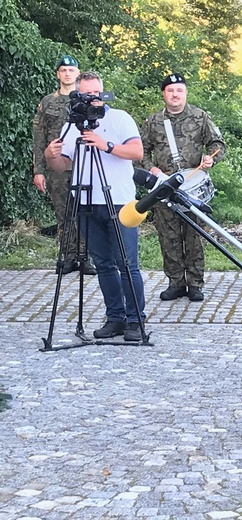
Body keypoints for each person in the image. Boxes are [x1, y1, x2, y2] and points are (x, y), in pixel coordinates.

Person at [44, 71, 147, 341]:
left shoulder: (120, 118)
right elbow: (62, 164)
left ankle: (136, 320)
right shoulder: (73, 123)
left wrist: (107, 145)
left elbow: (137, 153)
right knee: (102, 263)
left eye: (97, 94)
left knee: (127, 262)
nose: (93, 100)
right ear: (77, 94)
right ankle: (115, 318)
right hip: (87, 201)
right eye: (87, 95)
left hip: (120, 200)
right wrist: (49, 155)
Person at [140, 73, 226, 302]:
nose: (175, 94)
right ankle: (175, 282)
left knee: (194, 235)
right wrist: (151, 169)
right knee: (168, 236)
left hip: (192, 186)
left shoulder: (200, 117)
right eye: (170, 90)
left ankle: (195, 283)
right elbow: (141, 150)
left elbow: (218, 144)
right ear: (164, 94)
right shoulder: (154, 122)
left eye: (179, 90)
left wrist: (211, 159)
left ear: (185, 93)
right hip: (163, 187)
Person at [32, 55, 96, 275]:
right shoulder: (48, 102)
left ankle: (86, 257)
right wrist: (38, 170)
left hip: (84, 163)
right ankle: (68, 256)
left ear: (78, 73)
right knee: (64, 213)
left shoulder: (86, 99)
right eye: (63, 70)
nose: (67, 74)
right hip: (58, 166)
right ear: (58, 74)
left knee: (86, 211)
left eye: (71, 70)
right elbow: (39, 137)